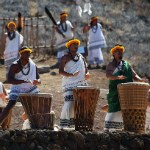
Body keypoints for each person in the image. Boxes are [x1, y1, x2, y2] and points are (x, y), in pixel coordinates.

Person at [104, 44, 147, 130]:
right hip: (115, 93)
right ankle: (109, 128)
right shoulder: (111, 65)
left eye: (121, 52)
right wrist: (117, 77)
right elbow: (108, 75)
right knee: (113, 109)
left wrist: (141, 80)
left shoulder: (127, 64)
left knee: (126, 110)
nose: (120, 53)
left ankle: (123, 129)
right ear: (114, 54)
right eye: (118, 52)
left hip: (127, 93)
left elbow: (134, 75)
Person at [0, 46, 41, 127]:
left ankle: (34, 124)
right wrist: (23, 81)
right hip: (17, 88)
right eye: (25, 53)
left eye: (29, 53)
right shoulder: (15, 65)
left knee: (37, 104)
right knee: (11, 104)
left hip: (30, 88)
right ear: (21, 54)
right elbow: (10, 80)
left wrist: (37, 81)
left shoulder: (33, 65)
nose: (28, 54)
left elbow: (38, 79)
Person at [59, 39, 90, 129]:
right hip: (69, 84)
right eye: (74, 44)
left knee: (81, 104)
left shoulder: (81, 57)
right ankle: (64, 125)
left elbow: (86, 69)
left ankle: (79, 124)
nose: (76, 46)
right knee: (69, 103)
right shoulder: (65, 57)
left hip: (81, 83)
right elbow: (60, 71)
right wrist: (71, 75)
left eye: (77, 44)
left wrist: (87, 74)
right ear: (69, 47)